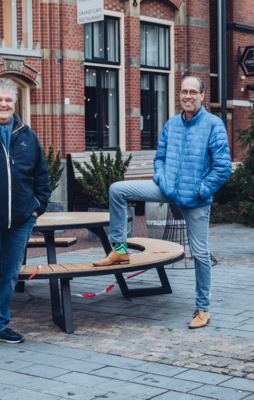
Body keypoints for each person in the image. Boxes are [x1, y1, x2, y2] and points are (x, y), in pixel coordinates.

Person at [93, 76, 231, 329]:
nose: (187, 96)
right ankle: (120, 250)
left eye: (192, 92)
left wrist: (200, 191)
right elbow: (160, 158)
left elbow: (222, 168)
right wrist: (162, 178)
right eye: (183, 92)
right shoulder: (172, 124)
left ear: (202, 96)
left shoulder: (214, 125)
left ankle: (203, 309)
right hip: (167, 189)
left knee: (200, 254)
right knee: (117, 190)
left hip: (196, 199)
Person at [0, 79, 50, 344]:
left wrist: (36, 208)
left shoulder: (28, 136)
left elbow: (42, 178)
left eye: (8, 100)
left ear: (15, 103)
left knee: (9, 274)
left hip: (21, 220)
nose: (4, 104)